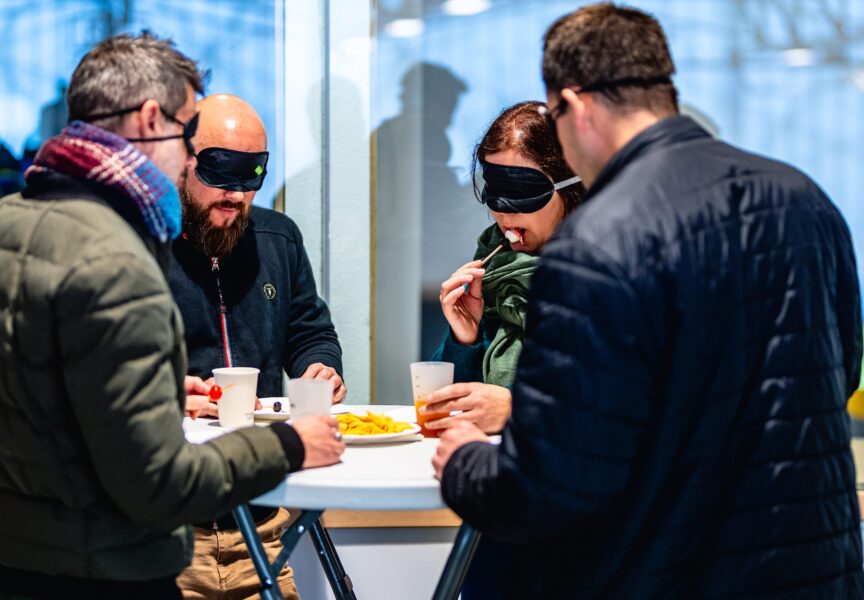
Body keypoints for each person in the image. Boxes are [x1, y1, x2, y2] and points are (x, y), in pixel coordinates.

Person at [433, 4, 864, 598]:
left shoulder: (600, 239)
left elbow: (556, 478)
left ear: (575, 106)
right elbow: (839, 376)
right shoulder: (804, 198)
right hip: (819, 568)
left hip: (678, 571)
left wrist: (466, 465)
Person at [0, 33, 344, 599]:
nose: (187, 159)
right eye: (188, 136)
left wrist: (153, 392)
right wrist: (289, 445)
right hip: (108, 565)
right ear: (150, 120)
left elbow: (50, 402)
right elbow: (160, 484)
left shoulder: (14, 220)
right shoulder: (119, 257)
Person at [169, 93, 344, 599]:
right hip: (168, 529)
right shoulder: (141, 247)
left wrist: (320, 366)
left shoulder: (278, 239)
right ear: (183, 160)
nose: (236, 195)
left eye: (252, 177)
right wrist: (166, 396)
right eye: (221, 173)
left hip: (264, 530)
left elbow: (310, 331)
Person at [424, 100, 584, 436]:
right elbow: (444, 403)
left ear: (570, 187)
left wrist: (518, 409)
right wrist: (465, 338)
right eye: (495, 191)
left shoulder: (603, 272)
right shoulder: (494, 266)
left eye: (523, 191)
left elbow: (624, 398)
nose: (505, 213)